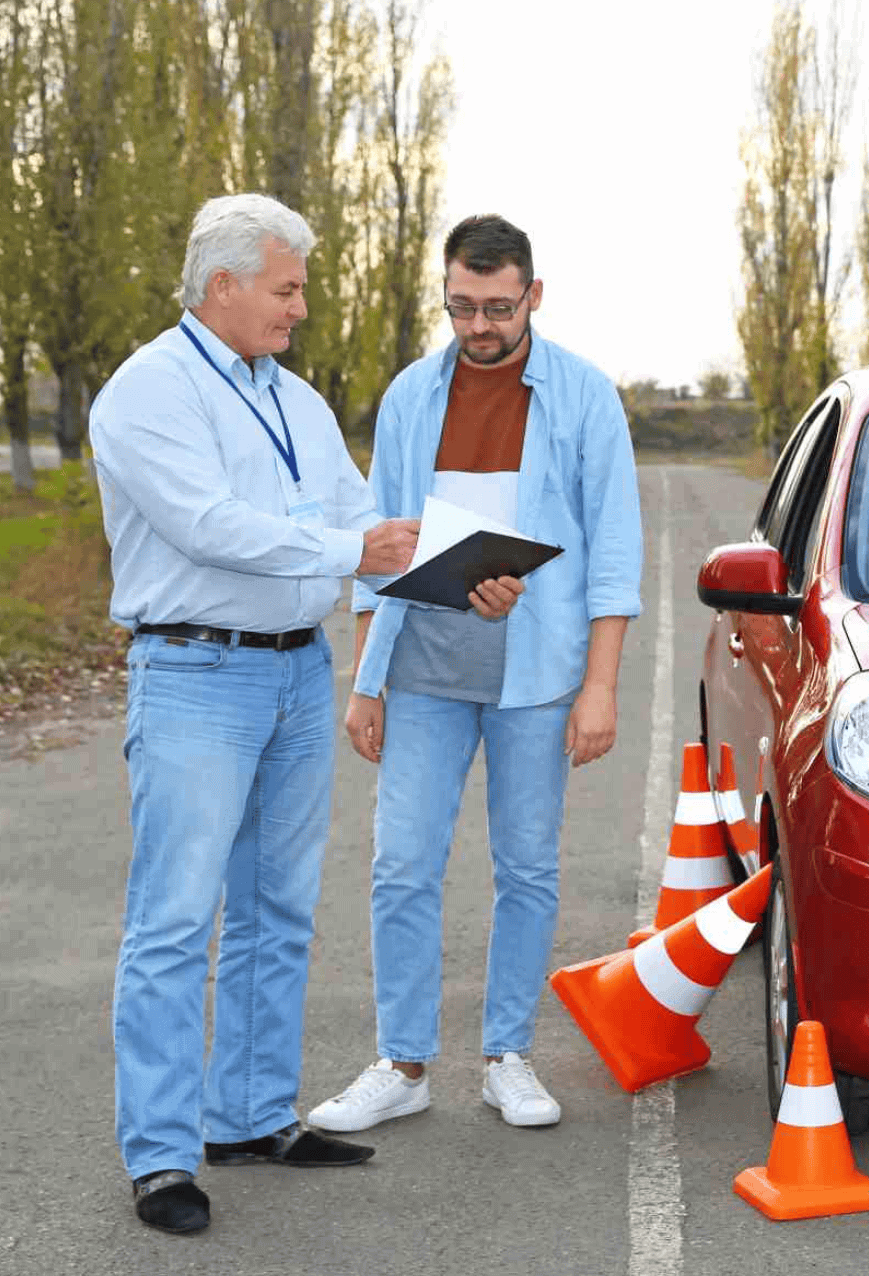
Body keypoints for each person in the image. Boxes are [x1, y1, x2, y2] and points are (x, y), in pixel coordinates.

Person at [89, 192, 419, 1235]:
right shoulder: (146, 392)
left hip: (292, 673)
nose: (302, 307)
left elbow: (352, 509)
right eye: (287, 288)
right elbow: (206, 525)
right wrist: (347, 552)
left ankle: (250, 1114)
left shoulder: (294, 398)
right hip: (193, 674)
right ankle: (160, 1154)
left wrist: (440, 562)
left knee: (278, 908)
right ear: (221, 286)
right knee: (175, 921)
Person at [308, 214, 642, 1133]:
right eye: (462, 307)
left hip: (537, 675)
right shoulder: (413, 395)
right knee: (401, 863)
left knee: (526, 867)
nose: (480, 326)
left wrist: (601, 686)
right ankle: (404, 1063)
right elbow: (384, 545)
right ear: (447, 296)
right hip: (421, 665)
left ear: (534, 294)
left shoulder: (584, 398)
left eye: (498, 307)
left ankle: (507, 1056)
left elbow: (614, 551)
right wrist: (365, 678)